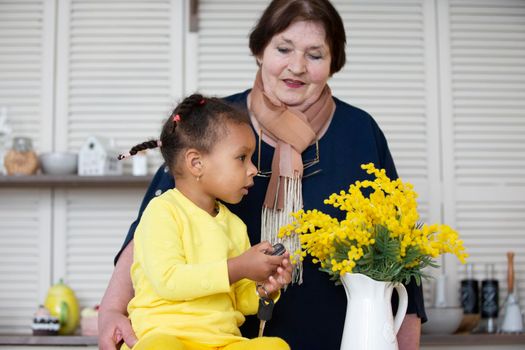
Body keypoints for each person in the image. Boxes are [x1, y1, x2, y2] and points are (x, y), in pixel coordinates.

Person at [99, 1, 427, 349]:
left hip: (344, 336)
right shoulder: (213, 124)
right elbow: (149, 232)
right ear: (260, 50)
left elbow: (401, 249)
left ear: (334, 63)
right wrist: (111, 311)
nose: (296, 66)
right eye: (283, 49)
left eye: (315, 55)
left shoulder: (360, 131)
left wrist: (406, 335)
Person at [116, 94, 292, 350]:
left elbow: (241, 301)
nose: (253, 169)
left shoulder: (234, 225)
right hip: (166, 338)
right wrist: (240, 266)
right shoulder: (162, 211)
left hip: (220, 343)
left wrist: (266, 287)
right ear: (196, 163)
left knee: (275, 347)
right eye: (242, 158)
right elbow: (169, 281)